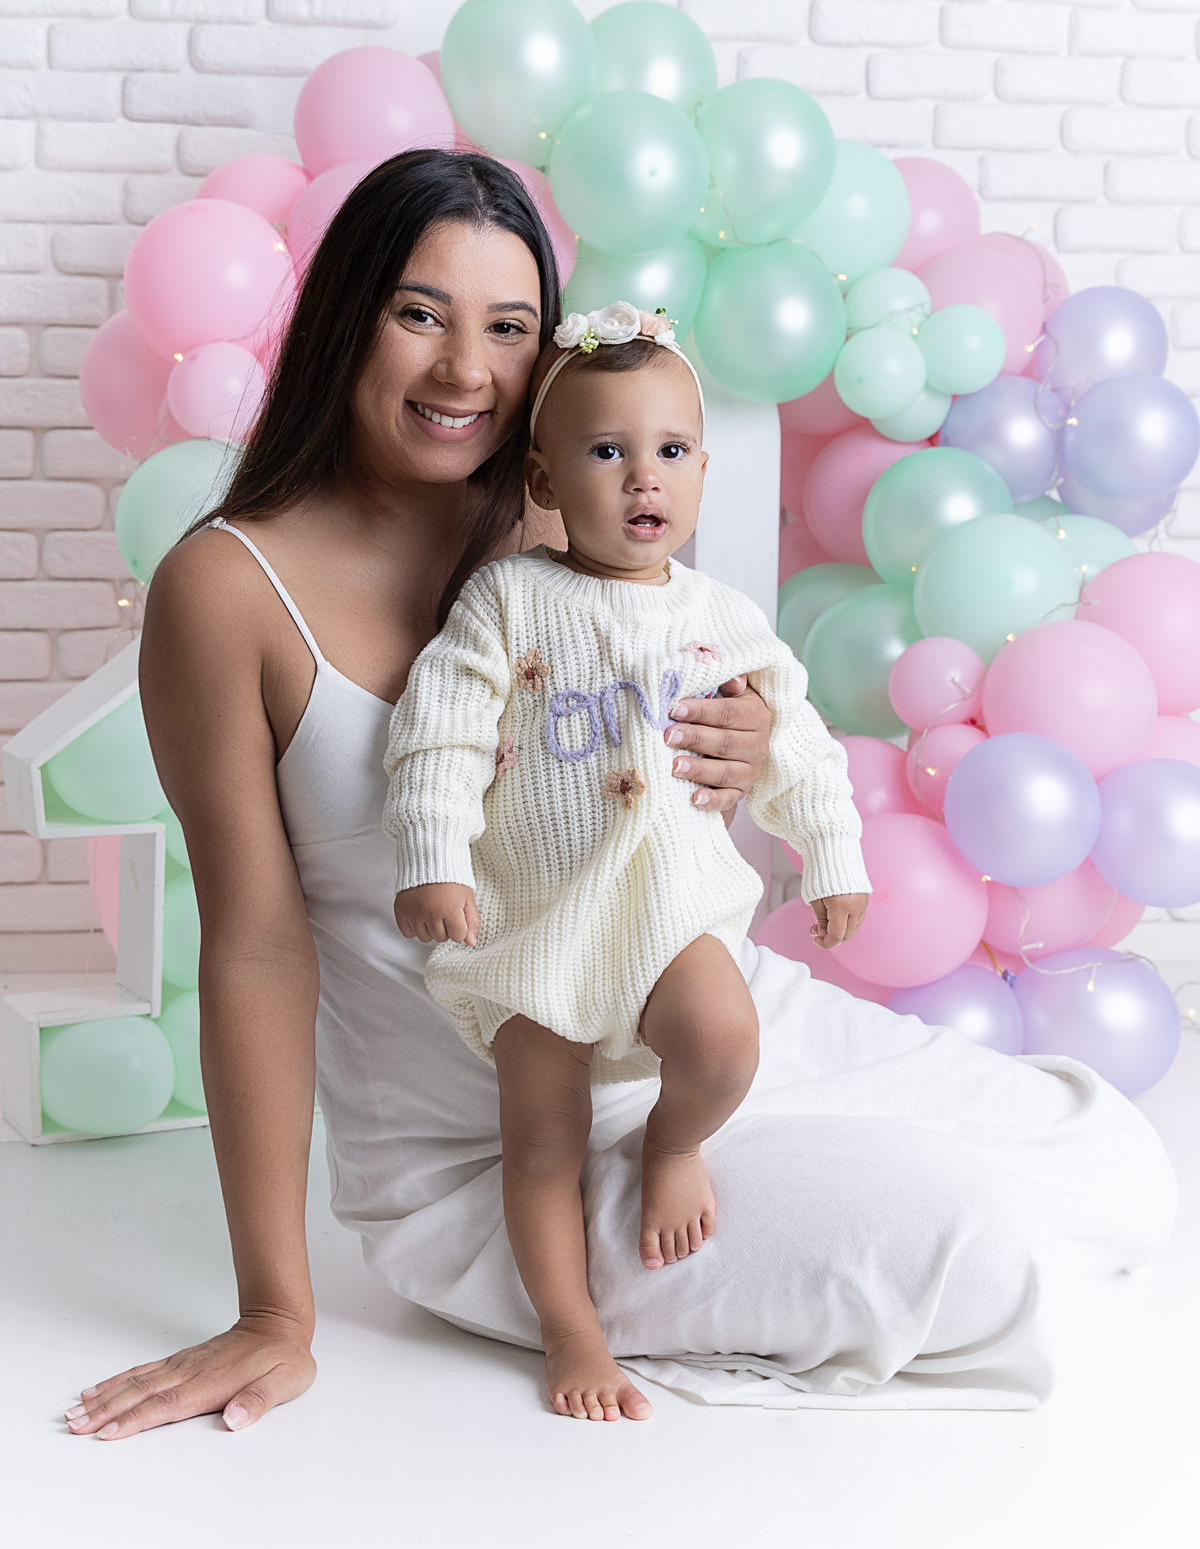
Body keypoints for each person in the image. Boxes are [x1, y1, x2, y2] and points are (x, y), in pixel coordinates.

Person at [65, 151, 1176, 1442]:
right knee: (985, 1246)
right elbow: (256, 944)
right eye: (419, 313)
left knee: (1118, 1167)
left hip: (711, 1031)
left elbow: (672, 773)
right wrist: (276, 1312)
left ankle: (766, 1169)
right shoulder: (229, 588)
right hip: (505, 1149)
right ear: (344, 313)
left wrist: (750, 746)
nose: (464, 371)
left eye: (509, 327)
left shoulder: (560, 523)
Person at [387, 301, 871, 1421]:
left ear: (700, 475)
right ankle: (571, 1328)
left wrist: (830, 856)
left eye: (667, 453)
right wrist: (434, 855)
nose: (641, 478)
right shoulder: (509, 599)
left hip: (670, 911)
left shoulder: (726, 618)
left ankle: (670, 1143)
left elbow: (796, 742)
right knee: (541, 1139)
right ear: (547, 482)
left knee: (722, 1041)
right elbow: (441, 728)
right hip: (540, 923)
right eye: (606, 452)